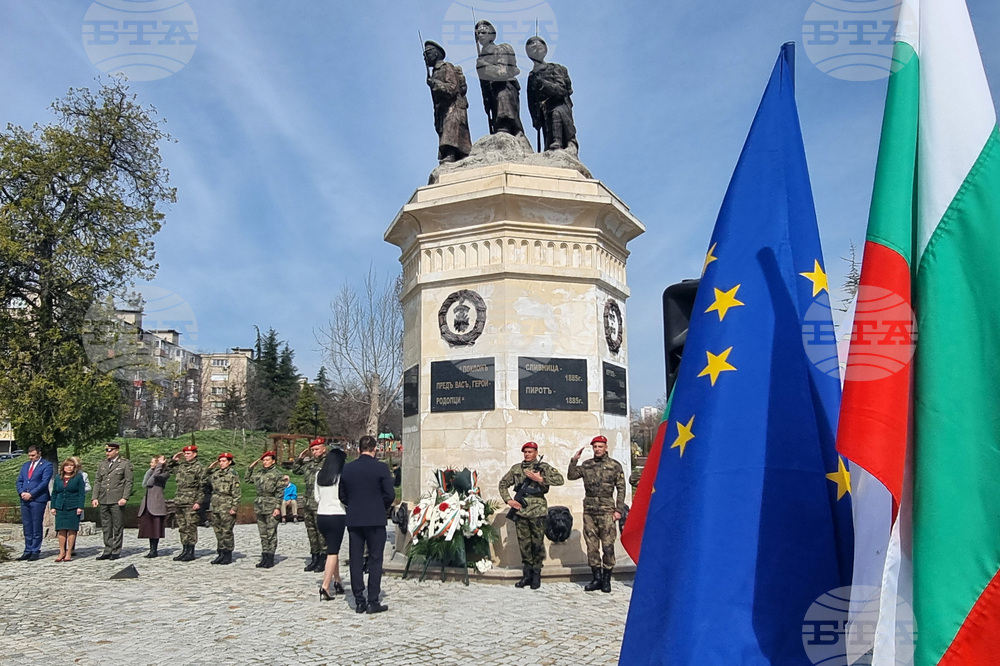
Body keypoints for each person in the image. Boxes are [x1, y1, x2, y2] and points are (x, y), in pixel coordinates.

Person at [338, 435, 394, 614]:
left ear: (358, 449)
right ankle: (373, 600)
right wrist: (380, 506)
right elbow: (390, 494)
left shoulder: (348, 468)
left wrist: (354, 505)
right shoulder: (381, 468)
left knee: (356, 559)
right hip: (375, 518)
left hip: (355, 518)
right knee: (375, 559)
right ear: (375, 449)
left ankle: (359, 600)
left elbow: (342, 495)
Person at [498, 441, 564, 589]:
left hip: (538, 511)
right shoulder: (516, 469)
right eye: (525, 452)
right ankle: (526, 575)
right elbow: (503, 483)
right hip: (521, 511)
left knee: (537, 543)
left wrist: (540, 479)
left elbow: (560, 480)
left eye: (530, 451)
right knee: (524, 544)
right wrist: (509, 500)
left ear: (536, 452)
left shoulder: (543, 467)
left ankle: (536, 574)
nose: (527, 454)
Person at [567, 435, 626, 593]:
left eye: (600, 446)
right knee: (592, 546)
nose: (598, 449)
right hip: (590, 511)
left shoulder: (614, 465)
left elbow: (621, 488)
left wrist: (618, 510)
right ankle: (597, 578)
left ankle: (607, 579)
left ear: (606, 448)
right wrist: (574, 460)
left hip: (607, 510)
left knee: (608, 546)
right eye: (595, 447)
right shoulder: (587, 465)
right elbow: (571, 476)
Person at [525, 36, 578, 152]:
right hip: (544, 111)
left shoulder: (555, 68)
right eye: (532, 48)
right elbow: (530, 99)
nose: (536, 50)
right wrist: (535, 118)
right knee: (548, 133)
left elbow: (562, 90)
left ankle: (565, 143)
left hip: (559, 105)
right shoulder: (531, 76)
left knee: (556, 114)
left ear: (545, 49)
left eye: (539, 47)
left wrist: (544, 84)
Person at [424, 40, 472, 163]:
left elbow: (452, 88)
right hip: (442, 109)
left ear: (435, 54)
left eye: (427, 53)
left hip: (453, 107)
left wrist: (435, 83)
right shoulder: (435, 72)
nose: (425, 57)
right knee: (444, 129)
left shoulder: (446, 67)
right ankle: (453, 155)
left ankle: (451, 153)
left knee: (451, 129)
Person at [475, 20, 524, 136]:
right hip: (493, 94)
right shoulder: (481, 58)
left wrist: (485, 66)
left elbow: (502, 72)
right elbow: (484, 84)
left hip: (505, 88)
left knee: (507, 119)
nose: (480, 36)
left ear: (491, 34)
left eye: (483, 32)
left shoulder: (500, 49)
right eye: (478, 34)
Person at [91, 441, 134, 560]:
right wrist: (95, 497)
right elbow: (98, 481)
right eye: (106, 450)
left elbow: (128, 482)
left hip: (117, 499)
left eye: (109, 450)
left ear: (116, 451)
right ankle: (107, 549)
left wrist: (125, 497)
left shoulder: (124, 464)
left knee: (117, 525)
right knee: (106, 526)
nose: (107, 453)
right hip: (104, 498)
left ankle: (116, 550)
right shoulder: (103, 464)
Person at [315, 447, 348, 600]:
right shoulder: (341, 476)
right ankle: (325, 586)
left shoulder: (319, 475)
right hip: (337, 514)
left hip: (321, 514)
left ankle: (338, 581)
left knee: (332, 549)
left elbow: (317, 497)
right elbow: (344, 497)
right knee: (333, 552)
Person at [293, 438, 328, 572]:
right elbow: (296, 470)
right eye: (312, 450)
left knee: (321, 532)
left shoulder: (327, 463)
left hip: (320, 502)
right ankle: (314, 556)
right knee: (311, 531)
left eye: (317, 449)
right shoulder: (310, 463)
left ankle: (323, 558)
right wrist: (299, 459)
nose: (314, 452)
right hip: (308, 502)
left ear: (324, 449)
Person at [168, 444, 207, 561]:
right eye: (185, 453)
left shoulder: (199, 467)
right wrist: (173, 460)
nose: (186, 456)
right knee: (182, 526)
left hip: (191, 500)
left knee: (191, 526)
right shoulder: (181, 466)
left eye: (188, 453)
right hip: (180, 499)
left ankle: (191, 551)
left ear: (195, 454)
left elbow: (202, 486)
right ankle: (184, 549)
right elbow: (168, 469)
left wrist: (198, 501)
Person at [16, 445, 53, 561]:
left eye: (33, 455)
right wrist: (21, 492)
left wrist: (32, 494)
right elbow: (20, 480)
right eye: (29, 455)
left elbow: (44, 482)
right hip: (24, 499)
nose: (31, 458)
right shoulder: (26, 465)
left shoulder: (46, 465)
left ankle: (35, 550)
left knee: (36, 525)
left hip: (37, 499)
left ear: (39, 453)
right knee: (27, 525)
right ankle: (27, 550)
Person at [248, 451, 284, 568]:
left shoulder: (277, 474)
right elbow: (248, 479)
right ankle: (264, 555)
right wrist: (250, 468)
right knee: (263, 533)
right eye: (264, 460)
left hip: (271, 505)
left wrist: (277, 507)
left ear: (273, 461)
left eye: (268, 460)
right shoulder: (259, 473)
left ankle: (270, 557)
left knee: (271, 533)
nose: (265, 462)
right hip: (260, 505)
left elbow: (280, 492)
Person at [207, 452, 241, 565]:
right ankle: (220, 552)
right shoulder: (216, 474)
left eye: (224, 461)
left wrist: (234, 507)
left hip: (227, 505)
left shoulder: (233, 475)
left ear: (230, 462)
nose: (221, 463)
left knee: (227, 531)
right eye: (220, 461)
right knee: (217, 530)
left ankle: (228, 554)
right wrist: (209, 469)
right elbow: (204, 479)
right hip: (216, 505)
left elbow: (236, 493)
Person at [50, 457, 86, 562]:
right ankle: (61, 551)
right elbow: (55, 493)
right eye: (67, 465)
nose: (69, 467)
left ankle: (69, 552)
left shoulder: (78, 477)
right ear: (63, 467)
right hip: (60, 507)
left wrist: (80, 506)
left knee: (71, 530)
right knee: (61, 530)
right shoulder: (58, 478)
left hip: (73, 507)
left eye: (71, 466)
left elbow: (81, 494)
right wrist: (53, 506)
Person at [138, 455, 169, 558]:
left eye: (152, 463)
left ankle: (154, 550)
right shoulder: (152, 472)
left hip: (156, 503)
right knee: (150, 528)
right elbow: (145, 483)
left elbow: (151, 482)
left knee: (155, 528)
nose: (150, 464)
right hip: (148, 503)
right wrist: (150, 470)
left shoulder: (164, 474)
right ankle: (151, 548)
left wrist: (159, 465)